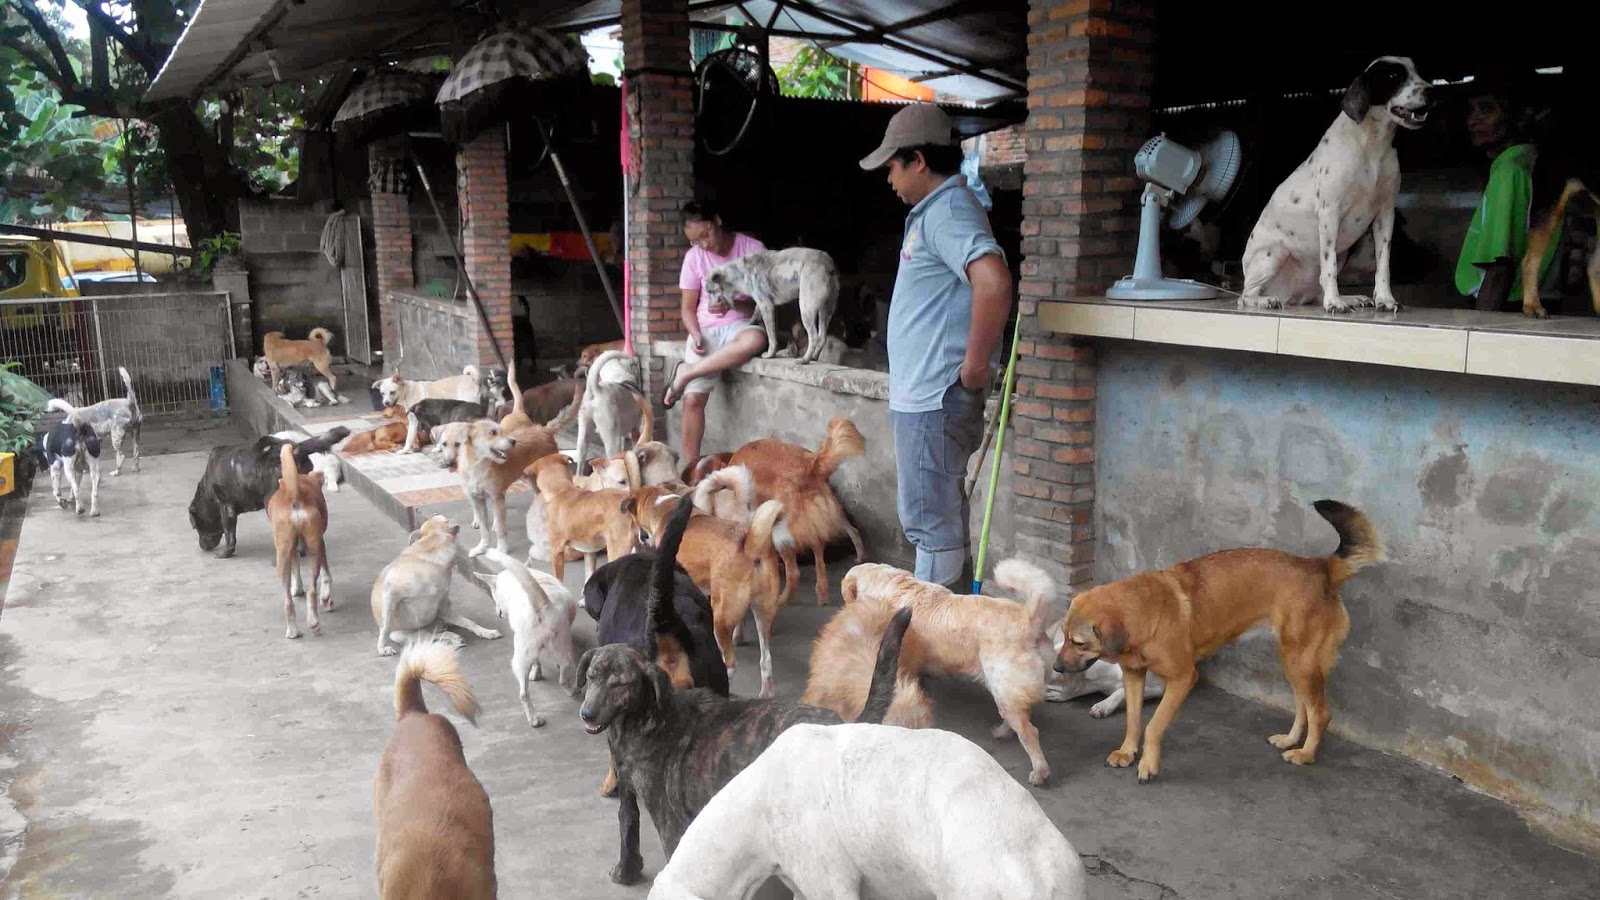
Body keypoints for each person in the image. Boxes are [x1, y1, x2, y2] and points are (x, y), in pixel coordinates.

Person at [859, 104, 1012, 589]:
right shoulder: (939, 211)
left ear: (918, 160)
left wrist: (973, 369)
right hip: (927, 396)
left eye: (892, 166)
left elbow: (993, 281)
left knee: (932, 523)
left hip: (933, 398)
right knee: (937, 515)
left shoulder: (946, 211)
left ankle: (930, 640)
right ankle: (944, 632)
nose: (889, 178)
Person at [662, 202, 768, 465]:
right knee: (693, 400)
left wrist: (734, 303)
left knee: (757, 339)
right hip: (706, 329)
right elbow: (687, 309)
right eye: (695, 241)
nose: (704, 245)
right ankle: (690, 470)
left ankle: (687, 372)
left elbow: (767, 302)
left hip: (740, 325)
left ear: (717, 221)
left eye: (705, 235)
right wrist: (695, 334)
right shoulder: (694, 258)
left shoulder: (752, 250)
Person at [1454, 68, 1560, 306]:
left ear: (1523, 115)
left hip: (1504, 307)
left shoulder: (1509, 169)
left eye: (1487, 109)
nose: (1473, 121)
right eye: (1472, 110)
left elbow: (1499, 267)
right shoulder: (1535, 163)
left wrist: (1480, 332)